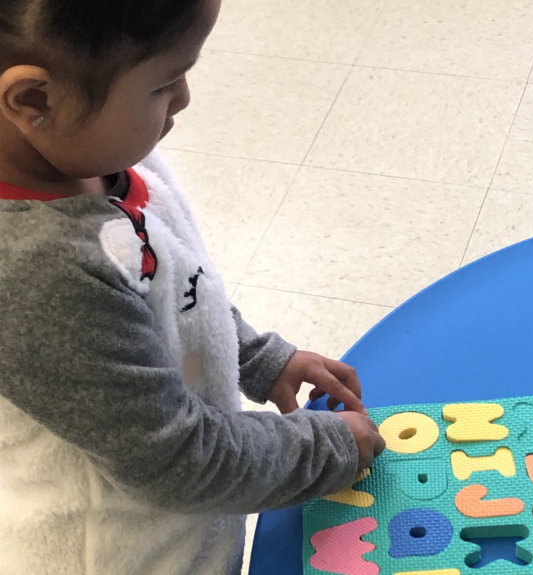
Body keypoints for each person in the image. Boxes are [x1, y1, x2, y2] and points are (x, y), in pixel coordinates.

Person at [0, 1, 386, 574]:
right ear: (37, 100)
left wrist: (261, 358)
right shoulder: (38, 273)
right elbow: (178, 461)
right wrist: (328, 448)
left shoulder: (106, 156)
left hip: (189, 525)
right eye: (164, 84)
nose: (183, 100)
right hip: (126, 555)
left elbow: (176, 285)